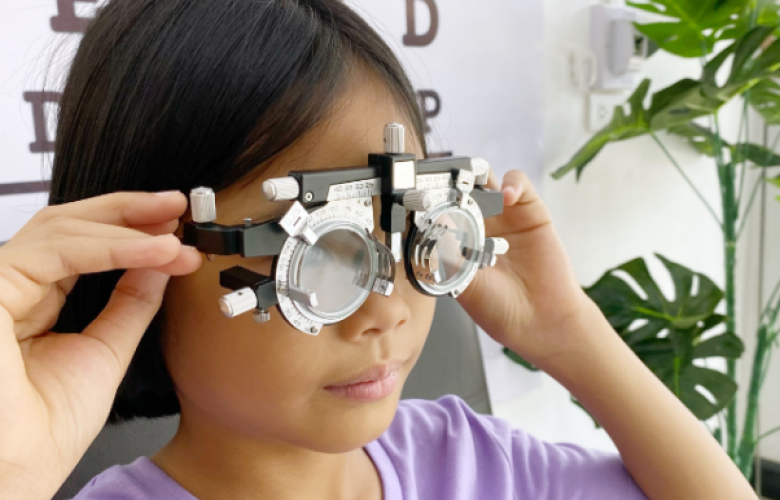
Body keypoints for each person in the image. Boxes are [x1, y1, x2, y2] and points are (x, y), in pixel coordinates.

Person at [0, 1, 757, 499]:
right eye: (323, 253)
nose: (387, 309)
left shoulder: (468, 461)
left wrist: (568, 335)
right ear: (145, 263)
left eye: (409, 230)